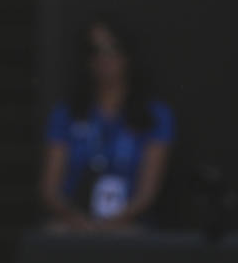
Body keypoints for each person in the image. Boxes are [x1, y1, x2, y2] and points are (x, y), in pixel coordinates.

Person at [38, 17, 176, 232]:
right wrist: (79, 221)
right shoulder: (66, 114)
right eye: (95, 50)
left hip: (129, 224)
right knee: (54, 233)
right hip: (75, 222)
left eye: (113, 49)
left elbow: (148, 193)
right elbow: (50, 189)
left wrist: (110, 225)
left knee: (132, 236)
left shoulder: (155, 115)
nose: (105, 59)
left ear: (128, 55)